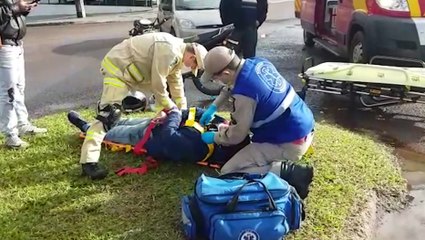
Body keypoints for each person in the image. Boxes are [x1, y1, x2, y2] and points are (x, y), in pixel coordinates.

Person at [68, 106, 314, 199]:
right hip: (155, 125)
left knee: (113, 133)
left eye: (228, 127)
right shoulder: (218, 127)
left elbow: (169, 139)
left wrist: (173, 114)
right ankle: (102, 122)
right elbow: (194, 112)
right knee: (122, 122)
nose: (225, 123)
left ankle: (86, 127)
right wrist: (174, 114)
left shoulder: (198, 146)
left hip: (150, 137)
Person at [79, 32, 208, 179]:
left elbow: (176, 85)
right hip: (118, 69)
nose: (190, 68)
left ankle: (88, 129)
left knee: (126, 119)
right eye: (192, 65)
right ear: (192, 57)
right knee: (108, 117)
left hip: (131, 72)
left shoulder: (177, 54)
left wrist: (182, 111)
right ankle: (88, 163)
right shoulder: (170, 51)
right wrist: (173, 110)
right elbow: (158, 85)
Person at [198, 46, 315, 185]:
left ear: (226, 73)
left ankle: (286, 172)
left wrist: (215, 137)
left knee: (228, 171)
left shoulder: (244, 96)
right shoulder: (257, 62)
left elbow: (236, 136)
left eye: (214, 78)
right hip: (304, 124)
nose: (215, 81)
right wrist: (214, 106)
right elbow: (232, 85)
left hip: (290, 143)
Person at [0, 0, 47, 149]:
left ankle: (23, 124)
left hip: (17, 44)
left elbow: (11, 16)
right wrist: (16, 7)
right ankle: (10, 135)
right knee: (9, 92)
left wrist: (24, 8)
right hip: (4, 46)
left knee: (19, 88)